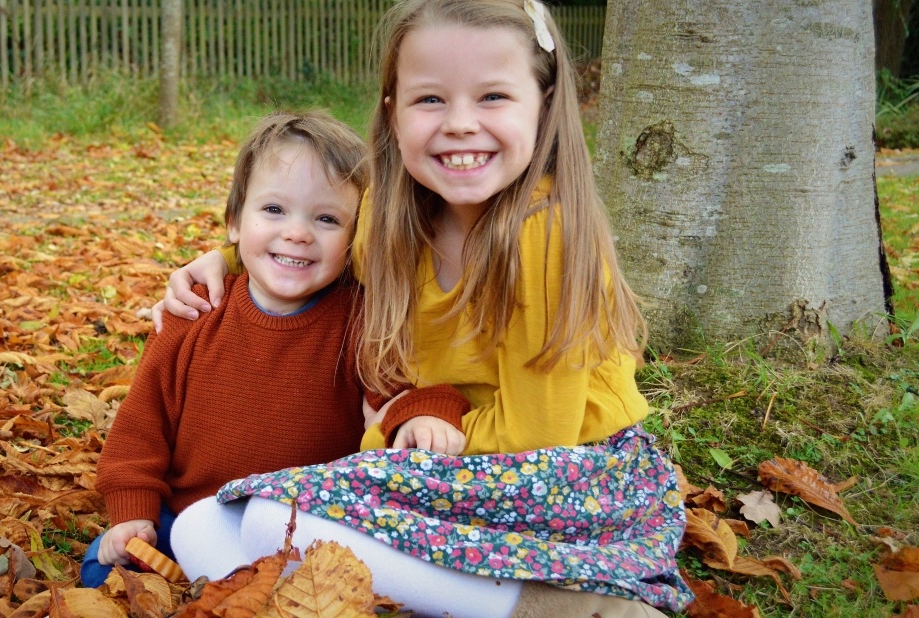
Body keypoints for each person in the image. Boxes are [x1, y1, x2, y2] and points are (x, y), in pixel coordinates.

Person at [158, 1, 694, 616]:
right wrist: (225, 261)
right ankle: (404, 599)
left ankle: (562, 607)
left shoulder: (546, 232)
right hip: (452, 469)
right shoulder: (396, 219)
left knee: (270, 522)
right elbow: (322, 253)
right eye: (430, 100)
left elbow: (536, 434)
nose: (461, 123)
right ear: (392, 112)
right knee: (198, 526)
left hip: (562, 485)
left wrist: (394, 442)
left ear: (543, 106)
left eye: (493, 96)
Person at [84, 110, 470, 589]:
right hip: (184, 512)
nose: (298, 232)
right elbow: (141, 428)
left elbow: (403, 391)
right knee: (106, 569)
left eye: (326, 218)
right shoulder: (194, 312)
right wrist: (132, 512)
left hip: (303, 526)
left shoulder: (360, 321)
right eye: (274, 211)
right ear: (234, 222)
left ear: (356, 242)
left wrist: (427, 413)